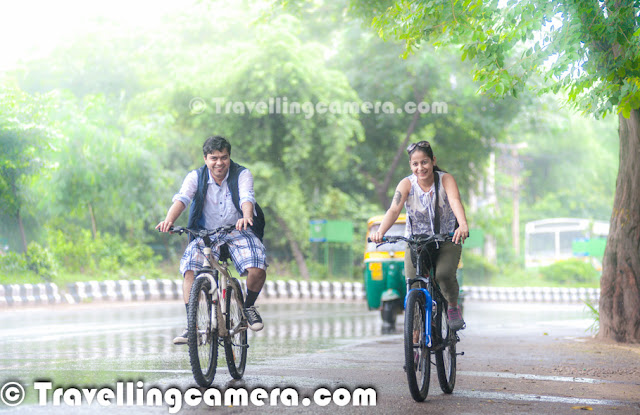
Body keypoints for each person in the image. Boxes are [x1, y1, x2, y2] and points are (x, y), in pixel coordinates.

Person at [156, 135, 267, 344]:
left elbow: (246, 198)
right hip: (206, 234)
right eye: (214, 158)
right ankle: (193, 326)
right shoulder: (195, 177)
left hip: (238, 230)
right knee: (189, 269)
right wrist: (168, 221)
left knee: (257, 267)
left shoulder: (242, 174)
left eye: (224, 158)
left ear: (229, 157)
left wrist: (247, 217)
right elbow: (182, 199)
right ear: (205, 158)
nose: (219, 163)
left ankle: (248, 307)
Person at [370, 140, 469, 331]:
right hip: (416, 242)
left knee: (443, 274)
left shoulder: (445, 179)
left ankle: (452, 307)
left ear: (433, 161)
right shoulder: (406, 184)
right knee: (413, 285)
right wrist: (380, 231)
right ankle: (416, 343)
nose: (420, 168)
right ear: (410, 165)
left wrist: (462, 225)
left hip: (447, 238)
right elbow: (393, 210)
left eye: (424, 162)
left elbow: (455, 201)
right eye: (415, 164)